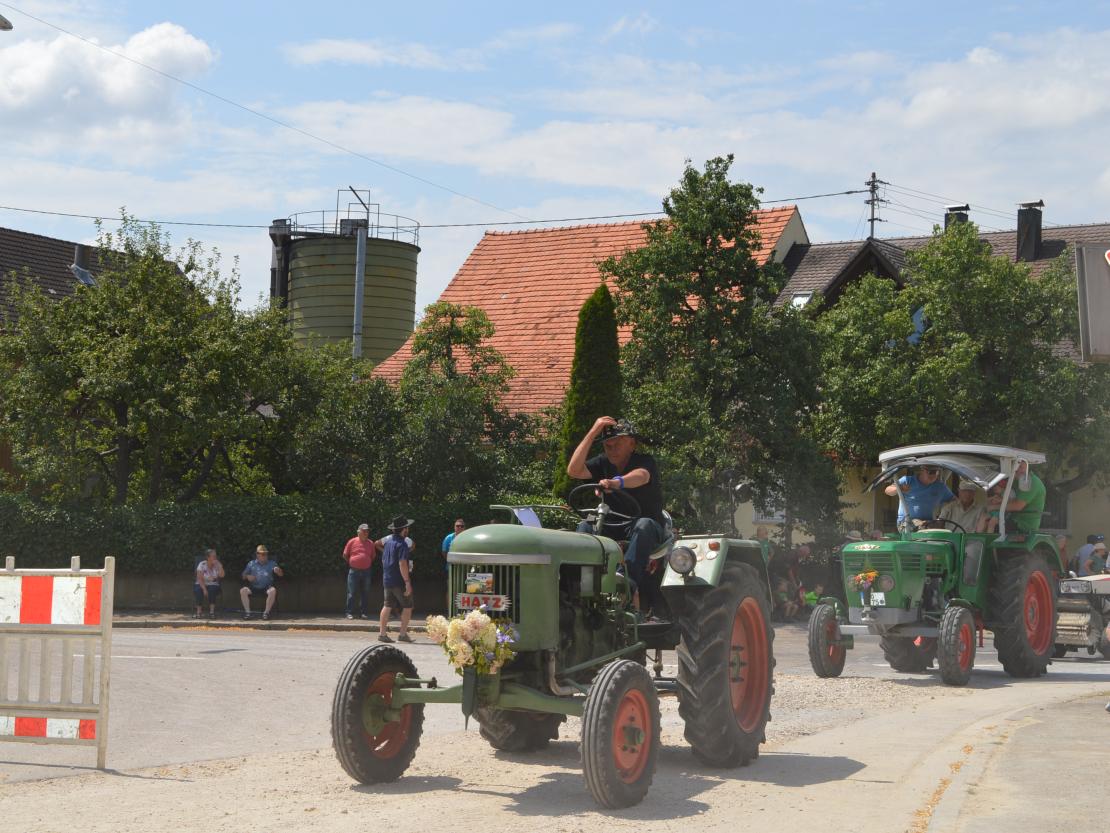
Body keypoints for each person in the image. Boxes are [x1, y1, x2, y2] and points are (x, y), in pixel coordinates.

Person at [566, 416, 666, 617]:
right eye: (607, 445)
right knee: (585, 527)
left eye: (617, 443)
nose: (611, 449)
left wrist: (616, 483)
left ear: (631, 443)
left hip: (644, 527)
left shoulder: (645, 462)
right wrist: (593, 431)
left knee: (644, 524)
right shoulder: (602, 462)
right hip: (611, 525)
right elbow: (573, 470)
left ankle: (624, 583)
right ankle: (584, 587)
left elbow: (641, 476)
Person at [977, 461, 1046, 536]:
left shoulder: (1031, 482)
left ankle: (986, 544)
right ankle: (976, 540)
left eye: (1021, 467)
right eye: (1017, 467)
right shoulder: (1014, 480)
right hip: (1010, 517)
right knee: (982, 519)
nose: (1018, 470)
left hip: (1023, 524)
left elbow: (1017, 506)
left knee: (990, 523)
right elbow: (1002, 495)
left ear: (1027, 468)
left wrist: (993, 507)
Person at [378, 515, 415, 643]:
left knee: (387, 606)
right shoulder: (402, 544)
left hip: (387, 579)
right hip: (399, 581)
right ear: (403, 529)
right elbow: (402, 563)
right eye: (407, 528)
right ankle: (403, 634)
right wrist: (407, 582)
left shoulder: (388, 543)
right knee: (408, 606)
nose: (408, 530)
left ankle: (382, 634)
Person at [885, 466, 955, 531]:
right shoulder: (908, 480)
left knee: (944, 532)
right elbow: (888, 490)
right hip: (906, 523)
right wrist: (900, 488)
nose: (934, 475)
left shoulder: (940, 487)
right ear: (923, 470)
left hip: (928, 523)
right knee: (922, 527)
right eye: (931, 472)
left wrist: (942, 516)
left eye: (937, 472)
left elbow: (954, 501)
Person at [342, 523, 377, 620]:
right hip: (354, 570)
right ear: (359, 532)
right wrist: (352, 562)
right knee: (351, 592)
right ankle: (349, 612)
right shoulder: (352, 541)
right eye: (364, 531)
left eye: (367, 531)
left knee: (365, 592)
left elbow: (373, 556)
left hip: (366, 571)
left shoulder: (370, 543)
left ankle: (363, 613)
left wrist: (366, 562)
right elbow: (345, 555)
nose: (366, 533)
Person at [240, 545, 283, 620]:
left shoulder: (272, 563)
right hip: (253, 587)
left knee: (273, 591)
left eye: (266, 554)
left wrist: (278, 570)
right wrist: (247, 576)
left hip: (267, 587)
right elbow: (243, 576)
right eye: (262, 554)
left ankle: (266, 613)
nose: (265, 556)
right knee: (243, 590)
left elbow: (281, 574)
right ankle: (248, 613)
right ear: (257, 555)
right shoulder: (251, 563)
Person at [193, 548, 224, 619]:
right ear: (208, 557)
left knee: (212, 590)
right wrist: (204, 589)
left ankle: (212, 612)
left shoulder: (217, 564)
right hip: (201, 583)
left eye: (215, 556)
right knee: (198, 590)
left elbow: (222, 575)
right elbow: (199, 578)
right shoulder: (202, 564)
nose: (215, 558)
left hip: (213, 584)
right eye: (213, 556)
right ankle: (199, 612)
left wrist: (220, 566)